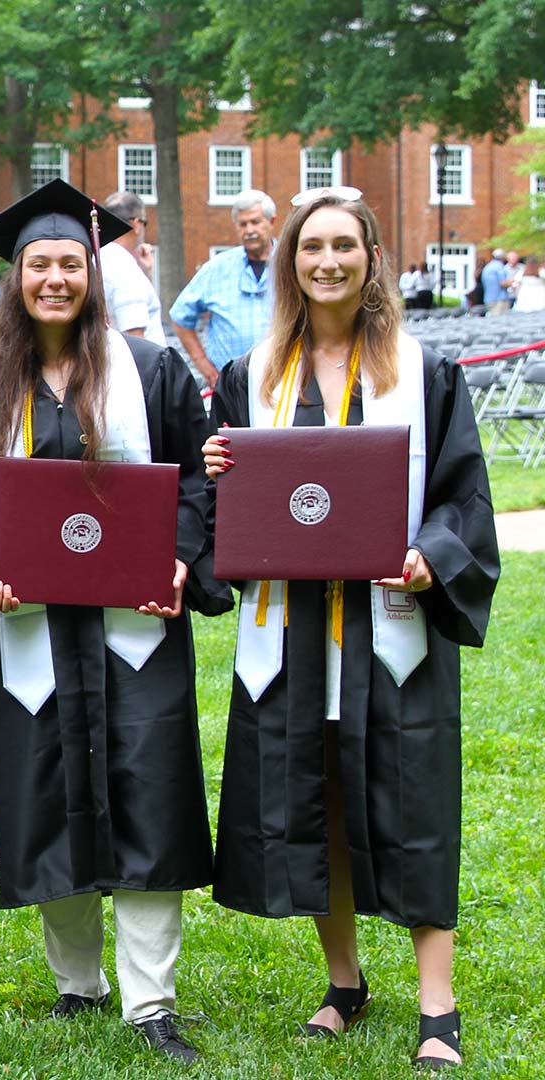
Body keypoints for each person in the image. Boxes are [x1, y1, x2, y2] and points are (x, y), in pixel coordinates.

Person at [203, 190, 498, 1070]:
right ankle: (344, 982)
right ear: (289, 261)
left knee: (415, 805)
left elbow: (463, 492)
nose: (326, 261)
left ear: (371, 255)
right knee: (317, 801)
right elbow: (240, 508)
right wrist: (223, 464)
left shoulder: (422, 370)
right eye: (310, 248)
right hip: (292, 630)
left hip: (392, 625)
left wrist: (429, 555)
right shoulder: (250, 374)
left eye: (343, 246)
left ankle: (436, 1007)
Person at [0, 180, 225, 1063]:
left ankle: (151, 1000)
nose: (56, 279)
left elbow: (198, 483)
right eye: (40, 265)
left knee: (149, 790)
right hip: (28, 628)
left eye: (72, 263)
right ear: (15, 280)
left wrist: (180, 557)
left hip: (134, 630)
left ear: (95, 275)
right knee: (46, 793)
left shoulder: (150, 371)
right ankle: (78, 983)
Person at [170, 189, 278, 387]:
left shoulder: (290, 264)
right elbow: (180, 316)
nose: (249, 230)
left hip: (282, 381)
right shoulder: (218, 268)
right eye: (243, 224)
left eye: (255, 222)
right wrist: (204, 366)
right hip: (230, 385)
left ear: (271, 222)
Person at [100, 191, 166, 344]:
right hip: (142, 366)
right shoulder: (124, 269)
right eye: (145, 223)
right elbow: (136, 339)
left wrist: (145, 272)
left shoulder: (98, 258)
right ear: (136, 224)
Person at [480, 250, 513, 317]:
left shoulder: (488, 267)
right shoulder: (499, 267)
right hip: (499, 300)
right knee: (500, 322)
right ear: (502, 257)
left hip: (488, 299)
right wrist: (512, 282)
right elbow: (503, 283)